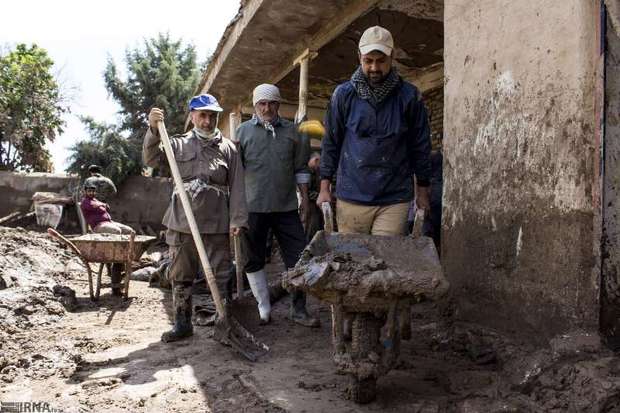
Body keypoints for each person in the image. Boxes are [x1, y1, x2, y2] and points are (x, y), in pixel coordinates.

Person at [143, 93, 248, 342]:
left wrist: (237, 219)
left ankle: (224, 321)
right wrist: (153, 130)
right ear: (192, 116)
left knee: (221, 273)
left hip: (216, 222)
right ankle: (182, 323)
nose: (207, 121)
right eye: (202, 115)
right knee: (181, 272)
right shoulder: (177, 144)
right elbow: (150, 159)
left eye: (212, 116)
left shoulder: (229, 149)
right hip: (182, 221)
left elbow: (238, 186)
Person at [317, 25, 432, 236]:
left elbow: (420, 147)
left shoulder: (409, 97)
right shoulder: (343, 96)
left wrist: (422, 192)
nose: (374, 68)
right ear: (359, 56)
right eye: (368, 61)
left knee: (385, 259)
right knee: (353, 262)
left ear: (392, 57)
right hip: (351, 197)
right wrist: (324, 188)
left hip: (394, 199)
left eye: (381, 61)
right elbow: (331, 143)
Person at [237, 83, 319, 327]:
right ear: (255, 106)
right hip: (253, 208)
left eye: (272, 103)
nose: (267, 108)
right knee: (253, 257)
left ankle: (299, 309)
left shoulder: (294, 133)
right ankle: (263, 306)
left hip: (286, 208)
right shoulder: (242, 133)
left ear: (279, 104)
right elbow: (235, 174)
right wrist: (235, 210)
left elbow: (301, 169)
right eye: (262, 103)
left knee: (299, 256)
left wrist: (304, 199)